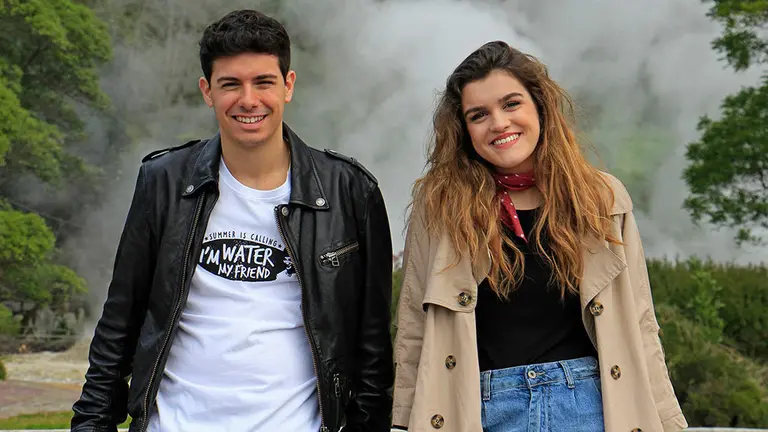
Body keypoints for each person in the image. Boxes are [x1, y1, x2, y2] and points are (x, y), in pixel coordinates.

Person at [71, 9, 394, 432]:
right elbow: (119, 323)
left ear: (288, 85)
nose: (248, 100)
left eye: (263, 82)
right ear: (207, 91)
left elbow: (373, 352)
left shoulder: (349, 191)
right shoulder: (164, 182)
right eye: (230, 84)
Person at [391, 41, 687, 432]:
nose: (499, 123)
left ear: (540, 108)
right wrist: (401, 421)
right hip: (478, 407)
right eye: (479, 115)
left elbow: (640, 321)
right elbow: (413, 326)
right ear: (464, 131)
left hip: (590, 407)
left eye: (511, 104)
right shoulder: (440, 207)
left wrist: (667, 420)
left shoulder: (602, 199)